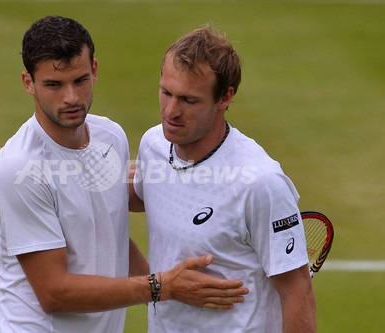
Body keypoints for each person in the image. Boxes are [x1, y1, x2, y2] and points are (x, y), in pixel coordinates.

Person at [0, 16, 248, 333]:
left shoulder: (110, 137)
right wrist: (163, 286)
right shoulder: (18, 170)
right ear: (29, 83)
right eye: (54, 85)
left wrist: (178, 288)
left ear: (94, 70)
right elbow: (54, 293)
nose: (71, 97)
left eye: (80, 80)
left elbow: (110, 235)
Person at [130, 27, 317, 332]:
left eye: (189, 100)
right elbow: (140, 196)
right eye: (166, 92)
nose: (171, 111)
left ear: (225, 97)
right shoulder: (154, 145)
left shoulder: (259, 182)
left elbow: (297, 291)